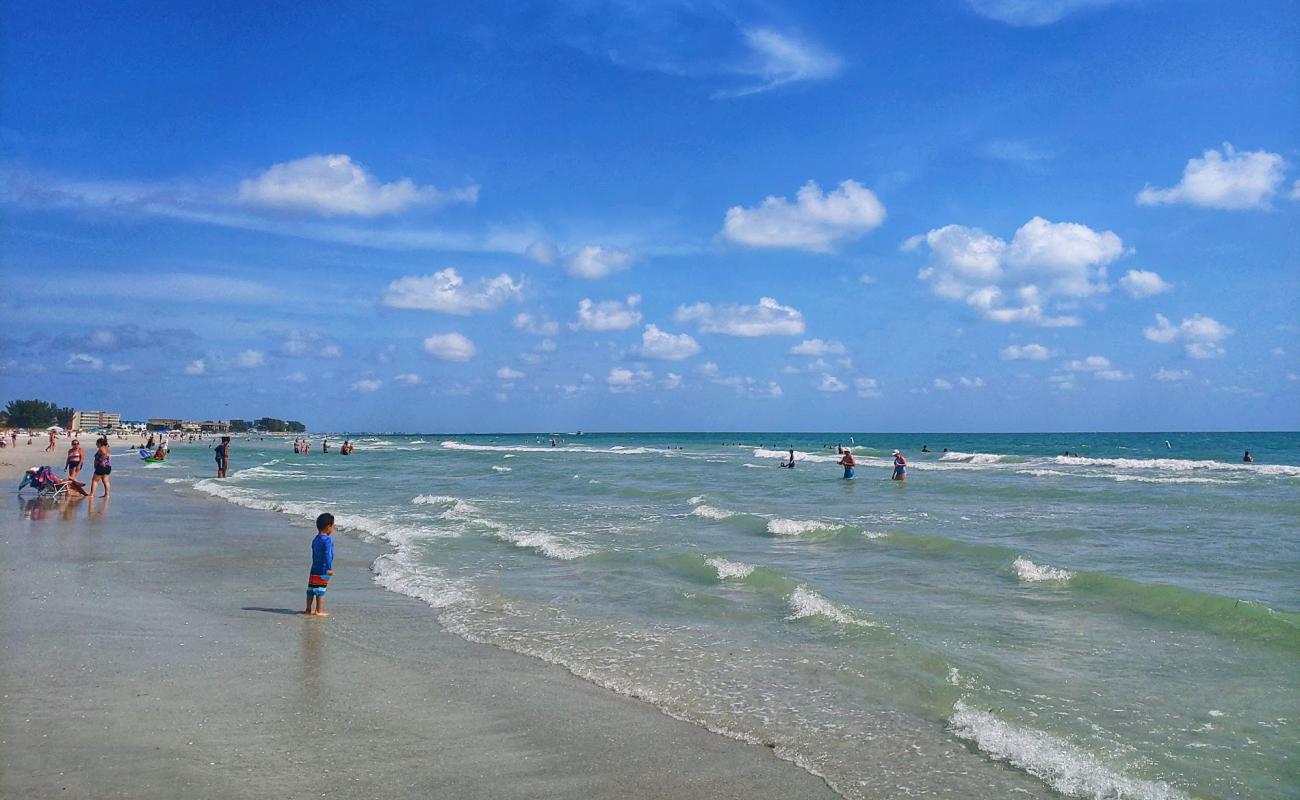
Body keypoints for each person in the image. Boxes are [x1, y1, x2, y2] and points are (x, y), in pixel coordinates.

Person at [303, 513, 335, 617]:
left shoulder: (315, 539)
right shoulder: (328, 540)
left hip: (314, 568)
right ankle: (319, 610)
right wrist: (328, 569)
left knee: (311, 589)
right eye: (333, 526)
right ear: (328, 526)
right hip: (324, 569)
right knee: (321, 590)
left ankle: (308, 609)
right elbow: (328, 555)